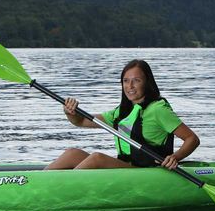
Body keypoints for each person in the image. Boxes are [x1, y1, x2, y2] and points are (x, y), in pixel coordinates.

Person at [45, 59, 199, 170]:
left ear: (147, 82)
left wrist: (175, 157)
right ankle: (34, 183)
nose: (129, 86)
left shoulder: (158, 109)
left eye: (136, 80)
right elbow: (80, 122)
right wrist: (70, 112)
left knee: (97, 158)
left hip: (148, 170)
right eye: (125, 81)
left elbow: (192, 139)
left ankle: (59, 187)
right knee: (72, 153)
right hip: (126, 167)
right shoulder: (122, 111)